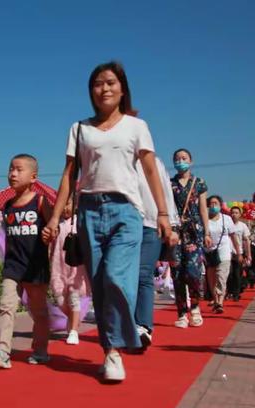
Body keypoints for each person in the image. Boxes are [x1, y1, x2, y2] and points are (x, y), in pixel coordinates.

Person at [43, 61, 173, 382]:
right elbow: (68, 176)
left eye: (111, 83)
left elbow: (151, 170)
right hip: (89, 210)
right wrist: (56, 217)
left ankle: (129, 336)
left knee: (116, 276)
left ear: (122, 89)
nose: (105, 89)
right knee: (99, 285)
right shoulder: (79, 129)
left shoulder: (136, 126)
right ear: (91, 91)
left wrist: (163, 213)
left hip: (127, 211)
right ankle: (111, 354)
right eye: (98, 84)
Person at [0, 154, 52, 369]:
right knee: (6, 306)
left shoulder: (40, 201)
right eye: (10, 169)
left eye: (19, 170)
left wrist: (51, 232)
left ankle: (40, 350)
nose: (13, 174)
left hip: (36, 266)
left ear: (33, 177)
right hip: (13, 266)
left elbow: (53, 227)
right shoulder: (7, 205)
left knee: (38, 312)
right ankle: (2, 350)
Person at [135, 157, 179, 349]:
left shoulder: (154, 161)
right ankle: (127, 322)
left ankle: (143, 326)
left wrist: (171, 223)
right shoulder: (113, 155)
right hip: (122, 224)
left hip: (151, 224)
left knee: (143, 274)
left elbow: (166, 192)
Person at [170, 148, 212, 328]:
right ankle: (181, 313)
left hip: (194, 232)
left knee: (193, 271)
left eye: (184, 158)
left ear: (191, 161)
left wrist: (207, 232)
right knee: (177, 272)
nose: (181, 161)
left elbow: (203, 208)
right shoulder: (169, 183)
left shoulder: (199, 182)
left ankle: (195, 307)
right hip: (175, 233)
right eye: (177, 159)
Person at [50, 197, 90, 345]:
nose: (65, 208)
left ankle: (73, 331)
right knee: (60, 300)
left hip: (75, 268)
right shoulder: (56, 223)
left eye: (68, 204)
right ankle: (75, 319)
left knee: (74, 298)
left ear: (75, 205)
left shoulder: (79, 223)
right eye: (62, 204)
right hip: (58, 267)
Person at [206, 195, 240, 314]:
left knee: (221, 276)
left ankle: (220, 302)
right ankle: (215, 301)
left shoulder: (227, 219)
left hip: (224, 251)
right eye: (211, 203)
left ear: (220, 206)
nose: (213, 206)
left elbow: (233, 236)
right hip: (209, 252)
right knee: (212, 278)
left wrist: (238, 252)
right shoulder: (204, 219)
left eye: (216, 203)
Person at [226, 206, 251, 300]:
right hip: (227, 252)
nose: (234, 214)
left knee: (237, 274)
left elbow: (246, 241)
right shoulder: (227, 225)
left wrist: (248, 255)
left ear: (240, 215)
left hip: (238, 252)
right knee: (228, 273)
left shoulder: (242, 226)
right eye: (232, 212)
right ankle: (229, 291)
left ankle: (236, 293)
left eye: (236, 213)